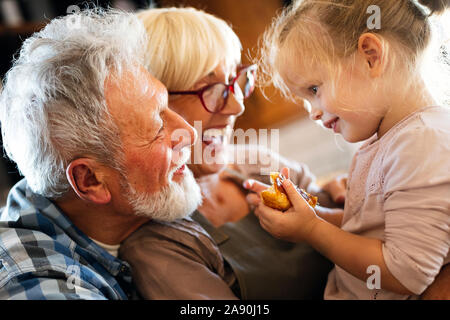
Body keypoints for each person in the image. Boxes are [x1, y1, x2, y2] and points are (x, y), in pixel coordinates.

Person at [119, 7, 345, 300]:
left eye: (237, 82)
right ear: (153, 106)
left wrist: (344, 194)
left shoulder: (254, 163)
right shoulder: (157, 246)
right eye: (211, 90)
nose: (237, 106)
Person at [246, 0, 450, 299]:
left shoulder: (423, 143)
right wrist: (314, 216)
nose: (313, 112)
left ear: (371, 56)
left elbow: (405, 273)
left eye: (314, 89)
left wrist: (312, 231)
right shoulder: (387, 139)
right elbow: (377, 229)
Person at [0, 8, 201, 299]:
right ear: (89, 180)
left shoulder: (140, 204)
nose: (188, 133)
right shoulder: (34, 282)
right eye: (158, 126)